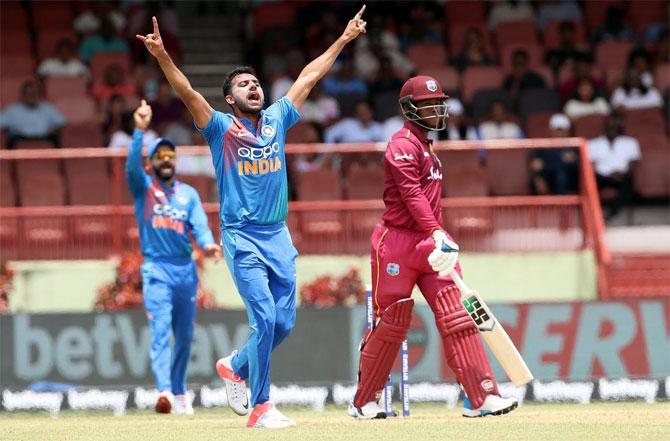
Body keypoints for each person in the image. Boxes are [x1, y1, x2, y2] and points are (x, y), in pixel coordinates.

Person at [136, 7, 367, 429]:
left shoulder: (278, 119)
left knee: (284, 321)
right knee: (263, 317)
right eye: (243, 84)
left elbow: (308, 78)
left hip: (278, 235)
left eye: (256, 82)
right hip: (241, 236)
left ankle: (236, 365)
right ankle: (261, 408)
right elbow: (188, 93)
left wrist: (345, 39)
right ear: (230, 99)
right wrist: (162, 57)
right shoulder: (220, 127)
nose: (253, 87)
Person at [348, 75, 517, 419]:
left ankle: (481, 396)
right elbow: (411, 196)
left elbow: (427, 201)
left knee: (459, 315)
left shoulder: (426, 146)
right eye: (427, 104)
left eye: (438, 102)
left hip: (430, 242)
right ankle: (365, 401)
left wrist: (439, 237)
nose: (436, 109)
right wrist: (438, 232)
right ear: (409, 109)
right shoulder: (400, 145)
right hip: (395, 242)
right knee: (392, 321)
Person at [126, 100, 222, 415]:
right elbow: (130, 167)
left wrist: (208, 246)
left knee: (184, 336)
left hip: (185, 270)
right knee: (160, 331)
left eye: (170, 156)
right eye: (159, 157)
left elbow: (200, 227)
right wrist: (139, 130)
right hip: (156, 269)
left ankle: (179, 392)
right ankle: (164, 390)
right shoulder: (144, 189)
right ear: (151, 163)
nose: (166, 160)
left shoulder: (188, 195)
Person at [588, 116, 640, 220]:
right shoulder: (593, 143)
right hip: (601, 176)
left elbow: (634, 162)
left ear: (619, 128)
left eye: (614, 126)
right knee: (591, 182)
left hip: (621, 175)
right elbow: (590, 164)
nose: (612, 128)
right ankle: (598, 213)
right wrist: (600, 174)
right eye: (609, 126)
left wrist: (624, 173)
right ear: (605, 127)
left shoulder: (630, 142)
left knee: (628, 183)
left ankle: (612, 211)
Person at [0, 81, 66, 148]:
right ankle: (9, 158)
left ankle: (60, 158)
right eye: (28, 93)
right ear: (23, 95)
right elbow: (1, 123)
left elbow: (61, 123)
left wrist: (53, 129)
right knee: (11, 139)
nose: (30, 96)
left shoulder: (48, 108)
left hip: (44, 135)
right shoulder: (12, 110)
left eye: (33, 93)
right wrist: (8, 130)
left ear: (38, 94)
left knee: (55, 138)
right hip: (20, 136)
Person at [530, 114, 579, 195]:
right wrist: (538, 178)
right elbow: (535, 166)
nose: (559, 133)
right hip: (549, 179)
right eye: (557, 130)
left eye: (562, 130)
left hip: (569, 182)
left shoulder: (574, 147)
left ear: (568, 131)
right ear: (551, 130)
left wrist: (546, 165)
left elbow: (577, 168)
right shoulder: (543, 148)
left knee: (561, 175)